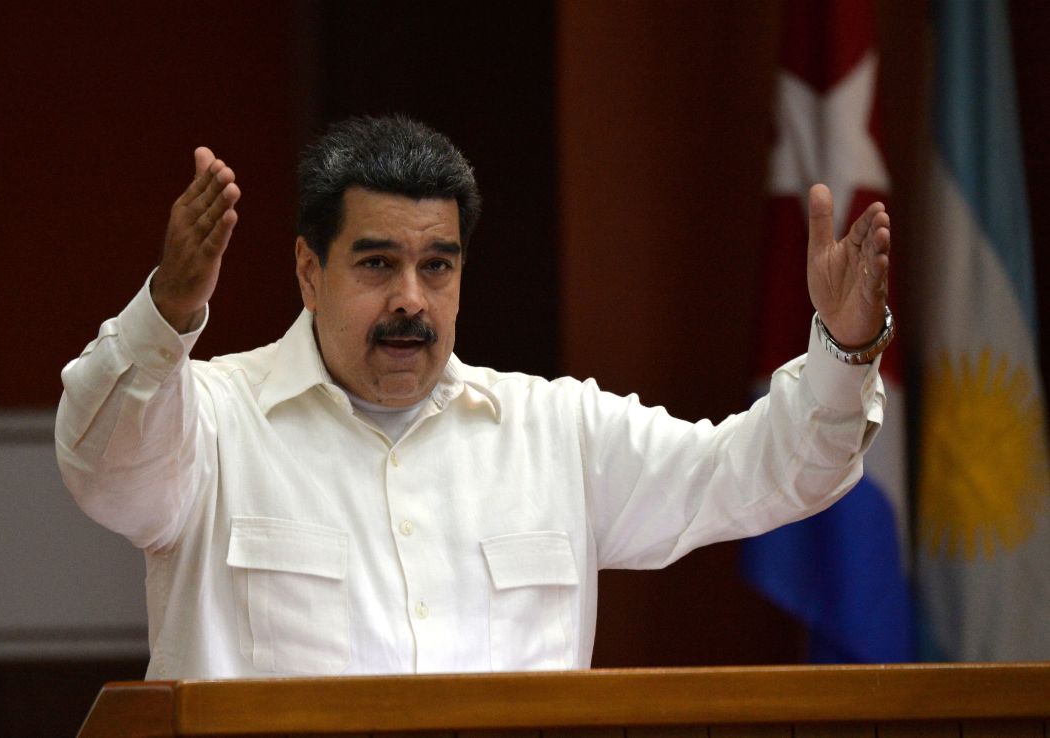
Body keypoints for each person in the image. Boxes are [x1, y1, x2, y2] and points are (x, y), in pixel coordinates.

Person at [55, 115, 892, 679]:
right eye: (378, 264)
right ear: (310, 273)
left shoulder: (552, 432)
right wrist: (167, 309)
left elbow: (765, 473)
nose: (412, 299)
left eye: (438, 266)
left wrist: (845, 348)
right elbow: (103, 470)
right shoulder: (209, 423)